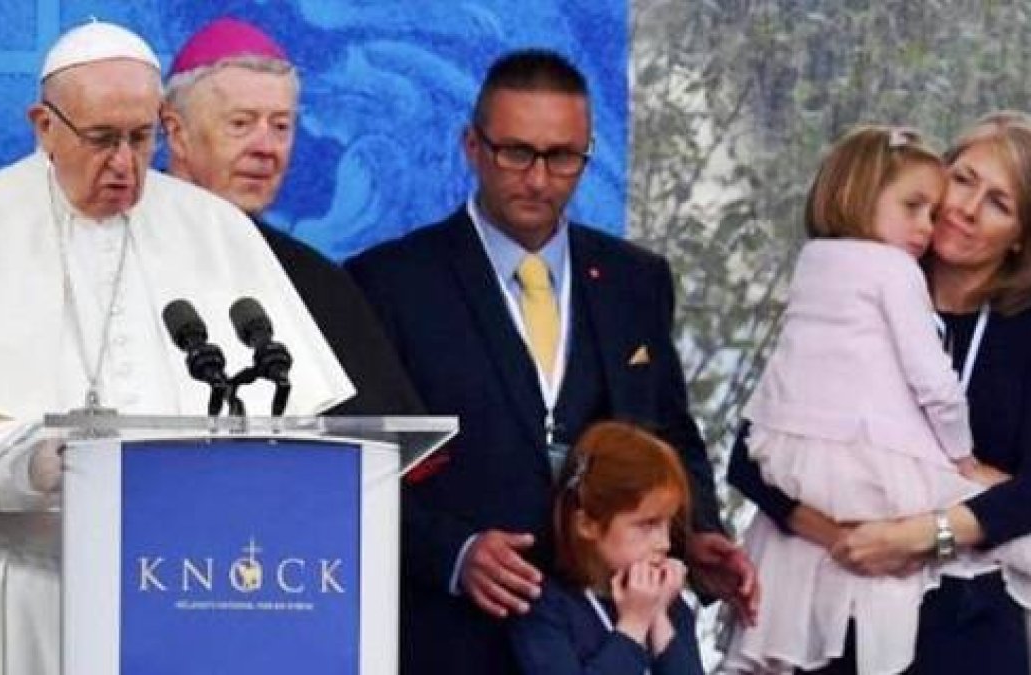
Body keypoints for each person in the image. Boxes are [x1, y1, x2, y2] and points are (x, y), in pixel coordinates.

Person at [0, 21, 353, 675]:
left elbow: (293, 426)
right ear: (44, 125)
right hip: (13, 587)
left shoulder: (216, 232)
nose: (126, 164)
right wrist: (31, 455)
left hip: (183, 584)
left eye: (143, 137)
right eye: (103, 139)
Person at [347, 49, 757, 675]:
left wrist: (696, 532)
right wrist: (453, 553)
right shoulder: (389, 282)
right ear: (472, 146)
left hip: (608, 637)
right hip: (451, 641)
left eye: (562, 157)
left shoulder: (636, 279)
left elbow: (669, 430)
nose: (538, 179)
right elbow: (359, 467)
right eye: (516, 151)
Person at [729, 111, 1031, 674]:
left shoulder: (1021, 333)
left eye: (999, 202)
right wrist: (843, 534)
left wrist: (919, 536)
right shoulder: (854, 281)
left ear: (1019, 240)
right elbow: (751, 450)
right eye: (962, 179)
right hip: (832, 607)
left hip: (968, 626)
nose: (964, 207)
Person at [162, 17, 421, 416]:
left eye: (281, 126)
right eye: (240, 124)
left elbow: (376, 448)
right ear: (178, 134)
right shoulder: (112, 256)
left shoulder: (319, 283)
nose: (267, 147)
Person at [509, 420, 702, 675]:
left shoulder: (670, 605)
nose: (664, 543)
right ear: (587, 524)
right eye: (647, 524)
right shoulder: (544, 609)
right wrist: (632, 626)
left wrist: (659, 621)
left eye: (668, 523)